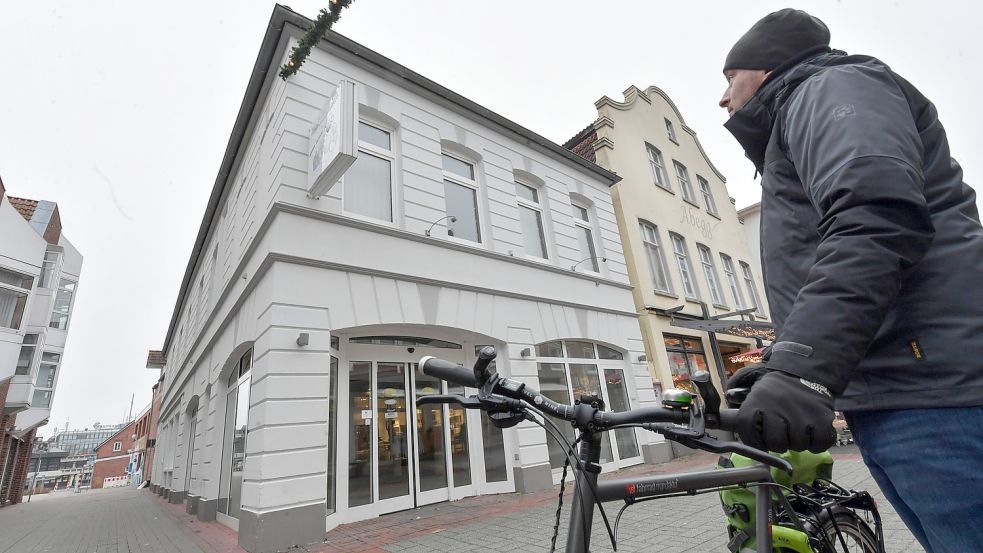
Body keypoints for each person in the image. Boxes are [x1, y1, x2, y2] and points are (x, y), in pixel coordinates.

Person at [718, 8, 983, 552]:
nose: (723, 98)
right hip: (908, 388)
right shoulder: (805, 111)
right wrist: (782, 363)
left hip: (938, 392)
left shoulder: (829, 86)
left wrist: (803, 368)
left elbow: (874, 217)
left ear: (766, 68)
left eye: (730, 77)